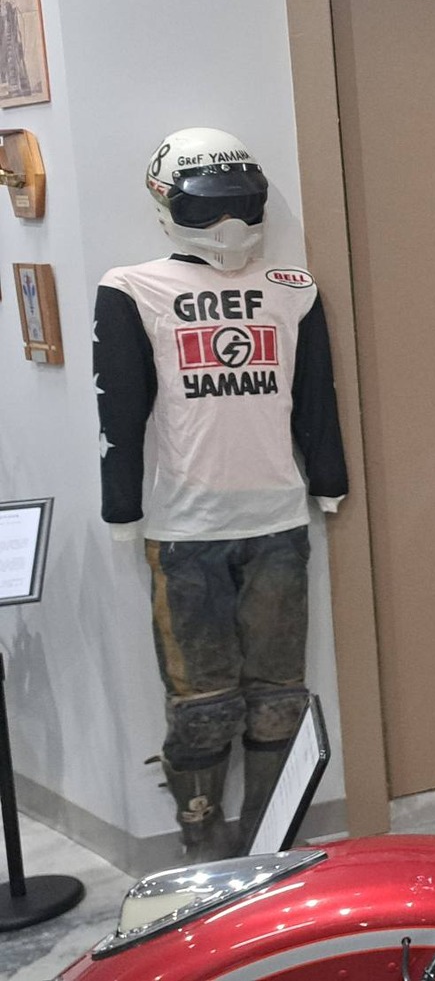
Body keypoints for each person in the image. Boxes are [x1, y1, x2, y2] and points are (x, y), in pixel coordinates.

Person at [94, 128, 347, 860]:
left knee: (277, 698)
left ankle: (268, 842)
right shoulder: (133, 288)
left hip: (277, 518)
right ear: (166, 201)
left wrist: (329, 483)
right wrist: (122, 507)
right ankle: (202, 843)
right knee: (203, 706)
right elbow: (120, 409)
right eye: (210, 206)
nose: (229, 223)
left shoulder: (292, 289)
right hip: (183, 529)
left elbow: (316, 403)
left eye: (239, 205)